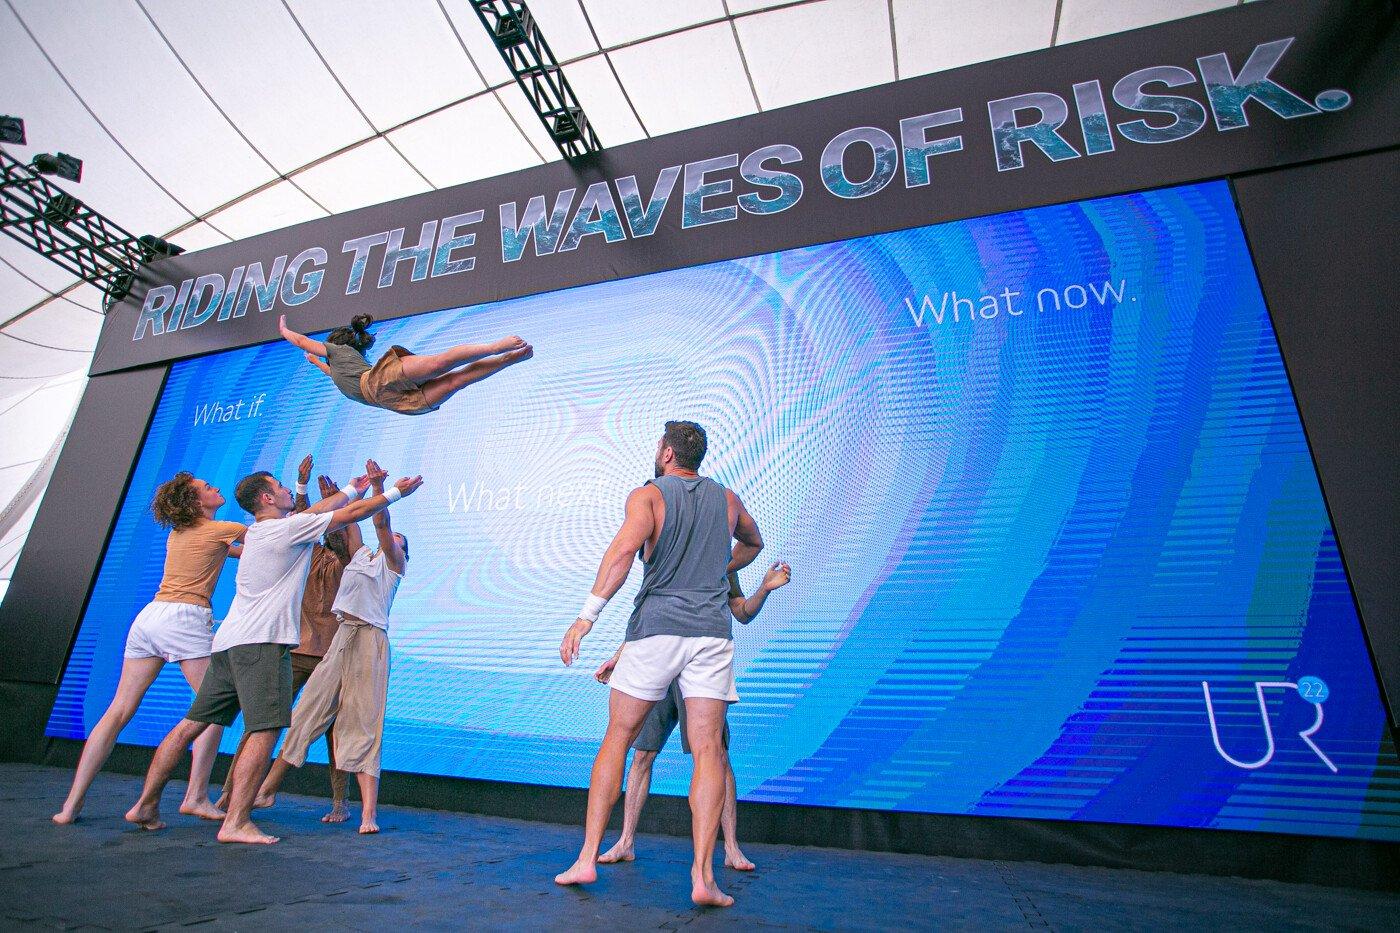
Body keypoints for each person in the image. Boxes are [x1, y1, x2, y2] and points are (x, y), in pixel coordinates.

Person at [124, 462, 422, 844]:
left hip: (228, 644)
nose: (286, 491)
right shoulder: (287, 530)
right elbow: (345, 516)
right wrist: (394, 492)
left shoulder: (266, 530)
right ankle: (236, 821)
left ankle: (145, 804)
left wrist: (353, 486)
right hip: (261, 644)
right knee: (265, 729)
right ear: (267, 498)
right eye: (280, 487)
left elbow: (321, 511)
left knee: (191, 724)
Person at [555, 421, 764, 908]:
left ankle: (587, 857)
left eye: (657, 446)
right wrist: (719, 568)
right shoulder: (728, 500)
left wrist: (585, 619)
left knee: (618, 739)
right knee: (709, 751)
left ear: (667, 453)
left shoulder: (647, 496)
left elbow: (623, 552)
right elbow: (753, 543)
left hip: (656, 629)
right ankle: (704, 878)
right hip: (710, 634)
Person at [52, 472, 245, 824]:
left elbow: (232, 552)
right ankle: (196, 796)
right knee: (213, 706)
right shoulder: (219, 529)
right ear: (196, 503)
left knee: (118, 710)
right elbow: (270, 537)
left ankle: (71, 805)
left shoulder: (182, 534)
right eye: (206, 488)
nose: (215, 488)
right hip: (185, 617)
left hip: (150, 619)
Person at [592, 561, 791, 870]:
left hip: (698, 671)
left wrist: (764, 588)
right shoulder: (669, 553)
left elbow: (742, 612)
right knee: (642, 754)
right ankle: (626, 841)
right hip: (658, 664)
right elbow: (650, 617)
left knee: (716, 756)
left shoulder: (722, 560)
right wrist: (620, 656)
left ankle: (732, 849)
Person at [255, 459, 409, 835]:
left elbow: (382, 526)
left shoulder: (393, 565)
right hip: (342, 637)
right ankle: (265, 791)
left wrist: (379, 490)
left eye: (399, 543)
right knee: (306, 713)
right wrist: (337, 497)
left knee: (362, 726)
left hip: (370, 642)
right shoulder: (359, 557)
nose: (391, 542)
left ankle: (368, 813)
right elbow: (349, 524)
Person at [215, 463, 352, 822]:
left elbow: (336, 523)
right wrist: (302, 488)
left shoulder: (344, 561)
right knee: (260, 724)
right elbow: (303, 520)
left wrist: (335, 499)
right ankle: (230, 792)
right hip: (298, 650)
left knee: (335, 731)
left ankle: (340, 802)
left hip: (330, 654)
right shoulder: (299, 551)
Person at [278, 313, 533, 415]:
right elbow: (329, 372)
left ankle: (496, 347)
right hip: (388, 400)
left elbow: (301, 341)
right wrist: (314, 362)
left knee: (439, 364)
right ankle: (506, 360)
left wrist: (285, 331)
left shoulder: (337, 350)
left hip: (378, 380)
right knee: (457, 380)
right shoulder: (336, 370)